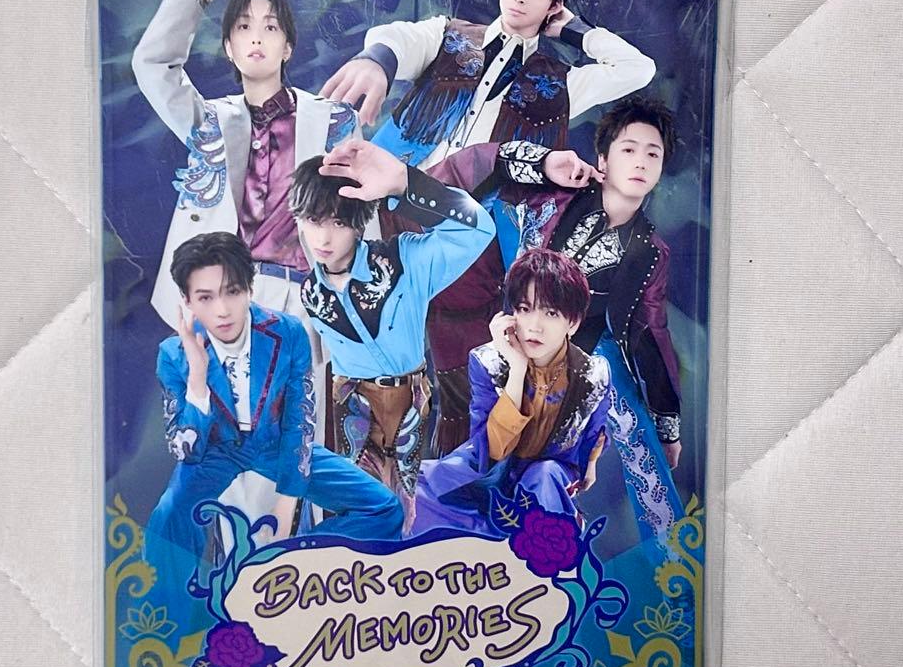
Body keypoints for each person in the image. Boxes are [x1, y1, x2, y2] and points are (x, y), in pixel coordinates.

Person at [423, 96, 685, 561]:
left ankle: (671, 567)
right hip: (506, 331)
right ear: (603, 159)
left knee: (637, 439)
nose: (641, 162)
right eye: (628, 150)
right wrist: (545, 162)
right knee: (474, 452)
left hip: (581, 356)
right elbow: (482, 178)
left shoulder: (651, 252)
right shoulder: (560, 193)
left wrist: (668, 424)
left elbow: (649, 334)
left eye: (653, 153)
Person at [132, 0, 362, 436]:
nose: (256, 37)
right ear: (229, 48)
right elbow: (152, 66)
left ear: (288, 47)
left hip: (303, 301)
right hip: (227, 299)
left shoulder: (334, 121)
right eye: (243, 27)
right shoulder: (208, 122)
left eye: (270, 27)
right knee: (225, 448)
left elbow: (361, 221)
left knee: (299, 449)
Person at [144, 232, 403, 624]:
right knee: (168, 516)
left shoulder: (287, 331)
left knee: (383, 508)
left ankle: (298, 570)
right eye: (205, 298)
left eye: (232, 292)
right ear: (187, 302)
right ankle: (176, 625)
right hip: (217, 450)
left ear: (250, 288)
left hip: (275, 442)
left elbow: (299, 418)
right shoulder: (173, 355)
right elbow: (187, 452)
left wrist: (288, 497)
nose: (222, 310)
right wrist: (197, 377)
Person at [289, 140, 495, 530]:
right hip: (353, 407)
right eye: (314, 221)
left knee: (410, 513)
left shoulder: (403, 261)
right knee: (367, 514)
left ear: (357, 220)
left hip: (411, 401)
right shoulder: (310, 293)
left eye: (338, 222)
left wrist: (405, 183)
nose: (324, 238)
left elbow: (477, 229)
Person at [320, 0, 655, 169]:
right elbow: (400, 38)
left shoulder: (560, 84)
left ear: (555, 4)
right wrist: (377, 61)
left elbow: (637, 69)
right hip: (383, 195)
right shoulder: (448, 34)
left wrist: (575, 30)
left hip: (472, 233)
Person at [413, 250, 610, 536]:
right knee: (412, 491)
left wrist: (589, 465)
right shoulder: (488, 362)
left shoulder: (593, 375)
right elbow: (490, 449)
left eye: (550, 313)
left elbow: (595, 431)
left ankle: (550, 541)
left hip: (548, 474)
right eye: (524, 309)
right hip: (490, 470)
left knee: (543, 478)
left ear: (573, 323)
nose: (534, 326)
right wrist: (517, 371)